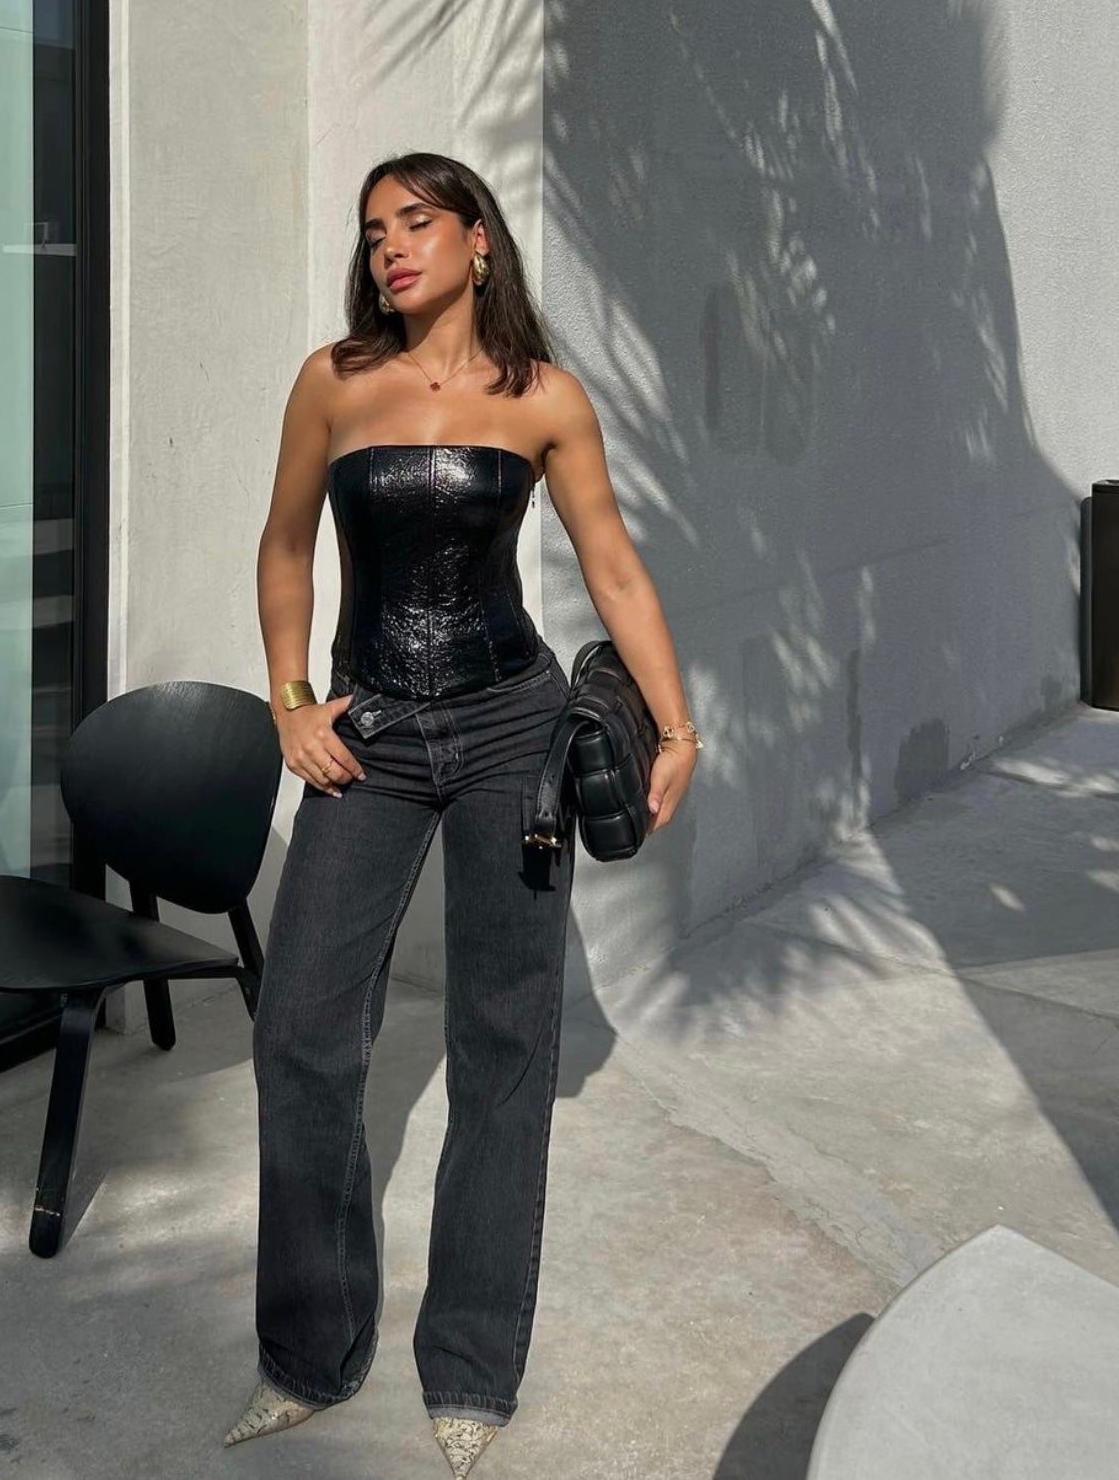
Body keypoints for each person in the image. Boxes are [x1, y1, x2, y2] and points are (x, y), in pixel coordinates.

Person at [227, 152, 701, 1475]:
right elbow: (282, 546)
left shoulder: (542, 395)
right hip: (369, 734)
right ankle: (310, 1355)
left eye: (417, 223)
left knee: (504, 1052)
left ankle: (474, 1370)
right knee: (302, 1033)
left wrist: (676, 726)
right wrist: (289, 699)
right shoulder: (334, 379)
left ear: (478, 240)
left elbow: (610, 563)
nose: (390, 247)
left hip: (511, 730)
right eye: (373, 228)